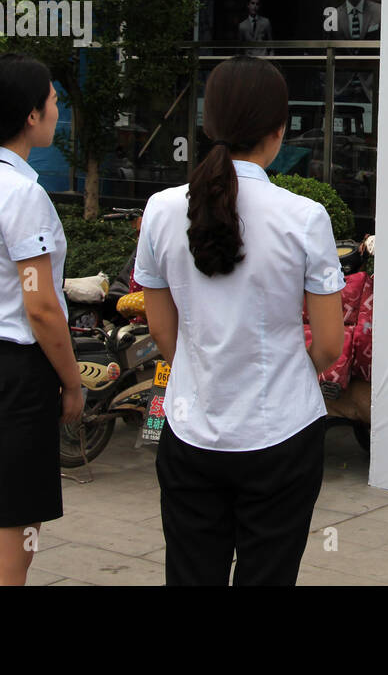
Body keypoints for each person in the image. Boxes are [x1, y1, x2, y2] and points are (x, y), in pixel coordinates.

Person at [134, 55, 345, 586]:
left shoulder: (160, 210)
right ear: (279, 131)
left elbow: (162, 330)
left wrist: (203, 369)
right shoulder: (304, 218)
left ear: (210, 125)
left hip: (189, 432)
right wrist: (284, 372)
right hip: (281, 436)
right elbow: (328, 345)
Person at [0, 52, 82, 586]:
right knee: (7, 566)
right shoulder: (21, 193)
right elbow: (41, 306)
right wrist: (72, 383)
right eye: (52, 100)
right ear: (30, 114)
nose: (56, 109)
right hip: (15, 386)